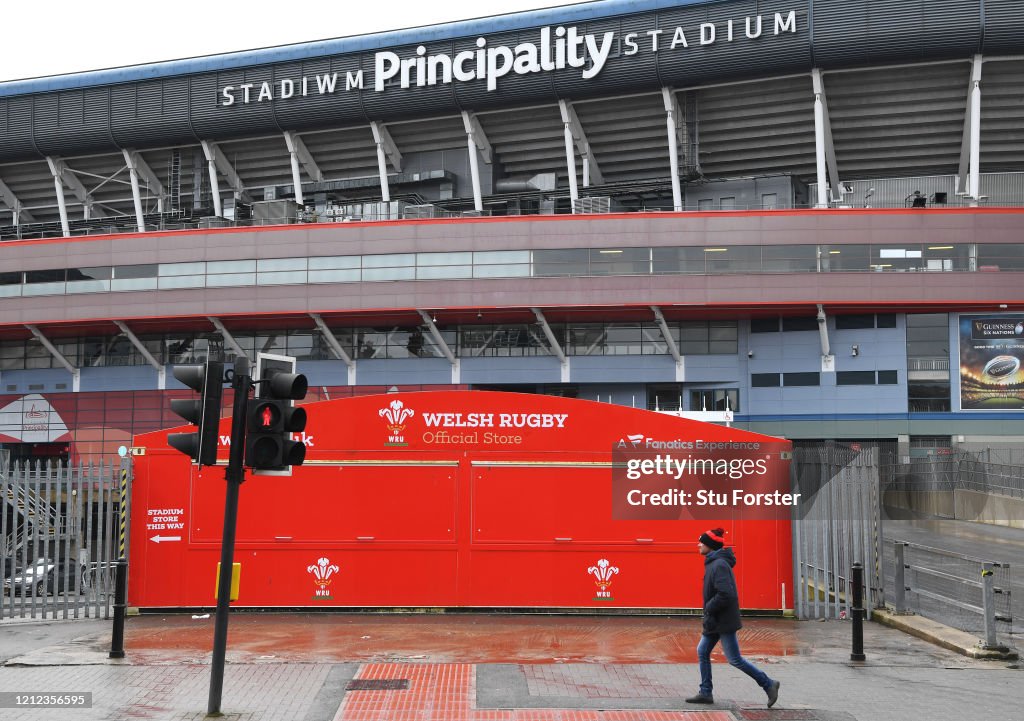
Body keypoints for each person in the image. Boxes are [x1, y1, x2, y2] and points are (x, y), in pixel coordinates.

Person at [686, 528, 781, 708]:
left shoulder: (719, 565)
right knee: (702, 651)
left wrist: (708, 607)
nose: (698, 544)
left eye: (701, 542)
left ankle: (768, 684)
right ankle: (705, 692)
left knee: (734, 659)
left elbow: (726, 594)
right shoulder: (713, 562)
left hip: (723, 621)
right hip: (715, 620)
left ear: (710, 545)